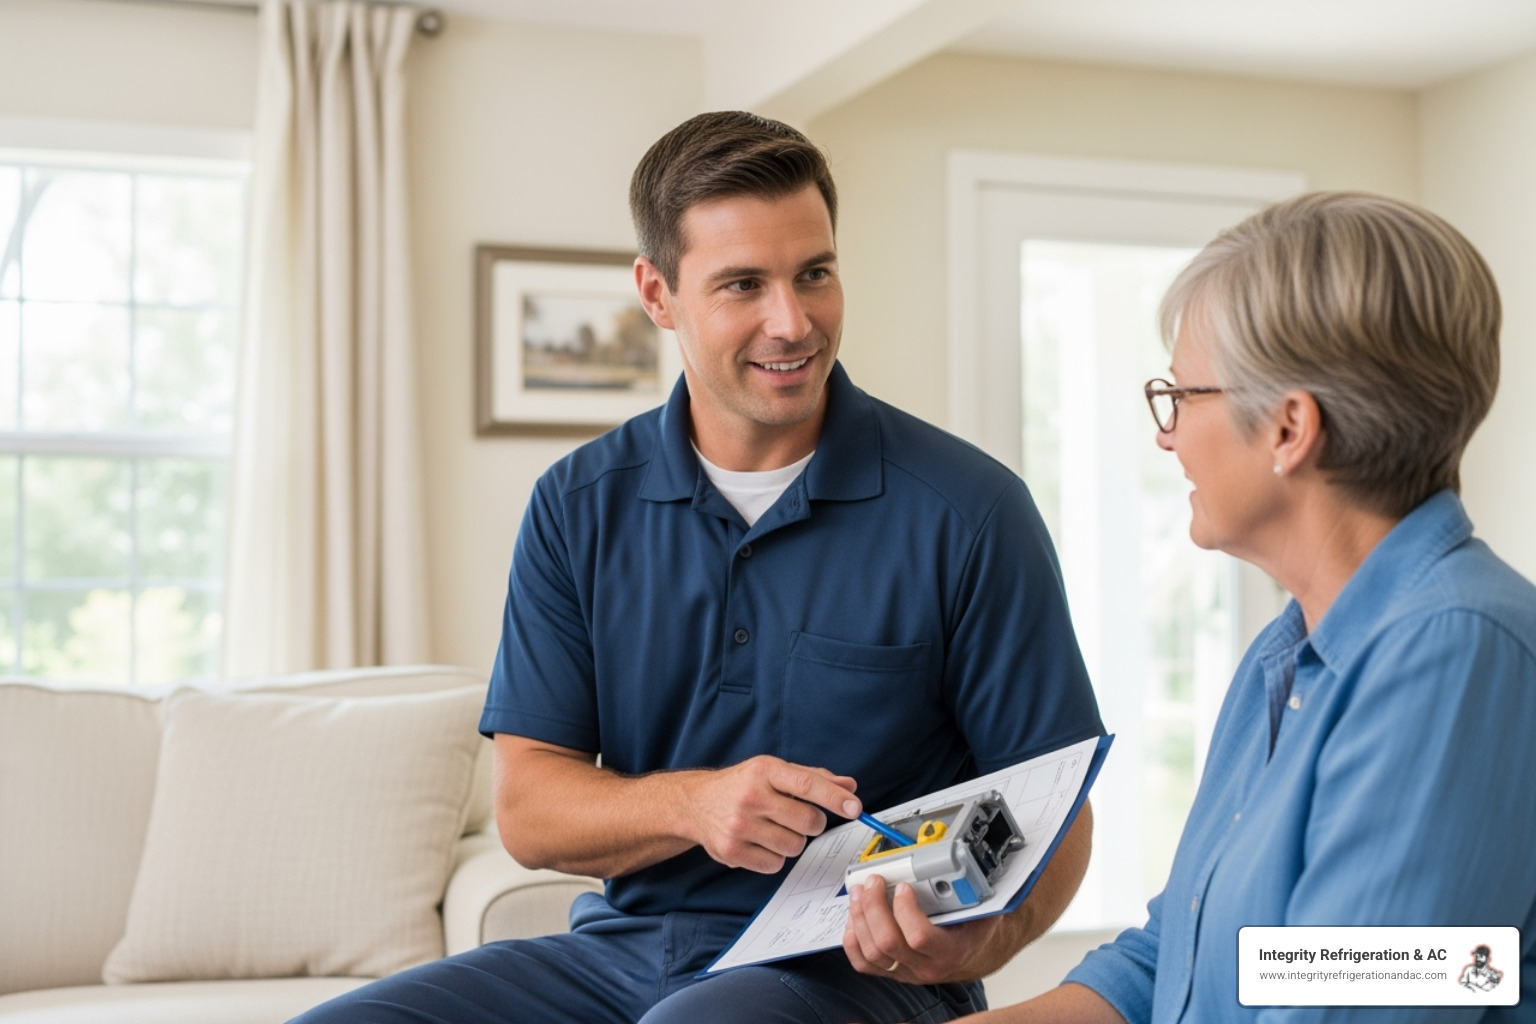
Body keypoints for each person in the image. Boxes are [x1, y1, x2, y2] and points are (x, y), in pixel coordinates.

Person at [291, 111, 1103, 1024]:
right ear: (657, 292)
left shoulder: (970, 510)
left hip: (852, 973)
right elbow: (529, 809)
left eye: (815, 274)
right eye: (743, 285)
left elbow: (1057, 809)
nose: (791, 322)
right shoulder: (576, 504)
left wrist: (973, 944)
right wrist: (695, 805)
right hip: (621, 954)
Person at [955, 191, 1536, 1024]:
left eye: (1182, 397)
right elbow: (1170, 963)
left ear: (1290, 429)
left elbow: (1350, 1009)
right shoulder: (1287, 655)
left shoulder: (1459, 655)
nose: (1167, 435)